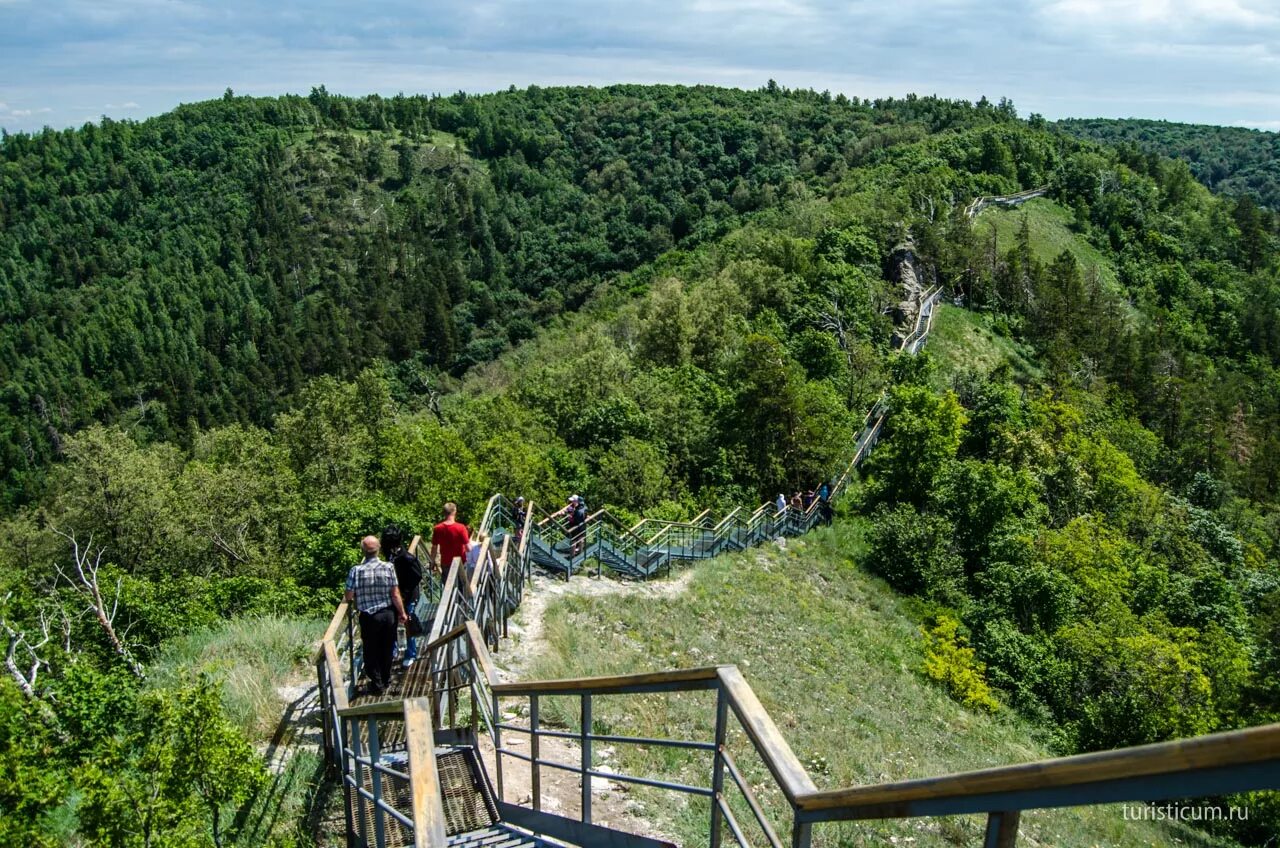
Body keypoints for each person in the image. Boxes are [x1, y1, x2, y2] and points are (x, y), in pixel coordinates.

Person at [344, 536, 407, 696]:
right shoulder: (388, 567)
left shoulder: (356, 571)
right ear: (378, 549)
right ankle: (385, 680)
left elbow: (349, 595)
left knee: (370, 650)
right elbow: (395, 593)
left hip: (368, 616)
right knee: (387, 648)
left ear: (363, 551)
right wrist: (402, 612)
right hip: (387, 614)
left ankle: (377, 683)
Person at [382, 525, 423, 669]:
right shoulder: (389, 554)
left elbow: (417, 576)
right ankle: (393, 651)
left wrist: (404, 594)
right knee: (393, 622)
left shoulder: (407, 558)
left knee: (407, 622)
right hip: (393, 595)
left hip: (406, 596)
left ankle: (410, 653)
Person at [431, 502, 471, 582]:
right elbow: (469, 548)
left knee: (448, 588)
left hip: (445, 563)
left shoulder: (437, 528)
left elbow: (434, 548)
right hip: (460, 563)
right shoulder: (461, 528)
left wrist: (432, 562)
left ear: (444, 512)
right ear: (454, 511)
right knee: (461, 588)